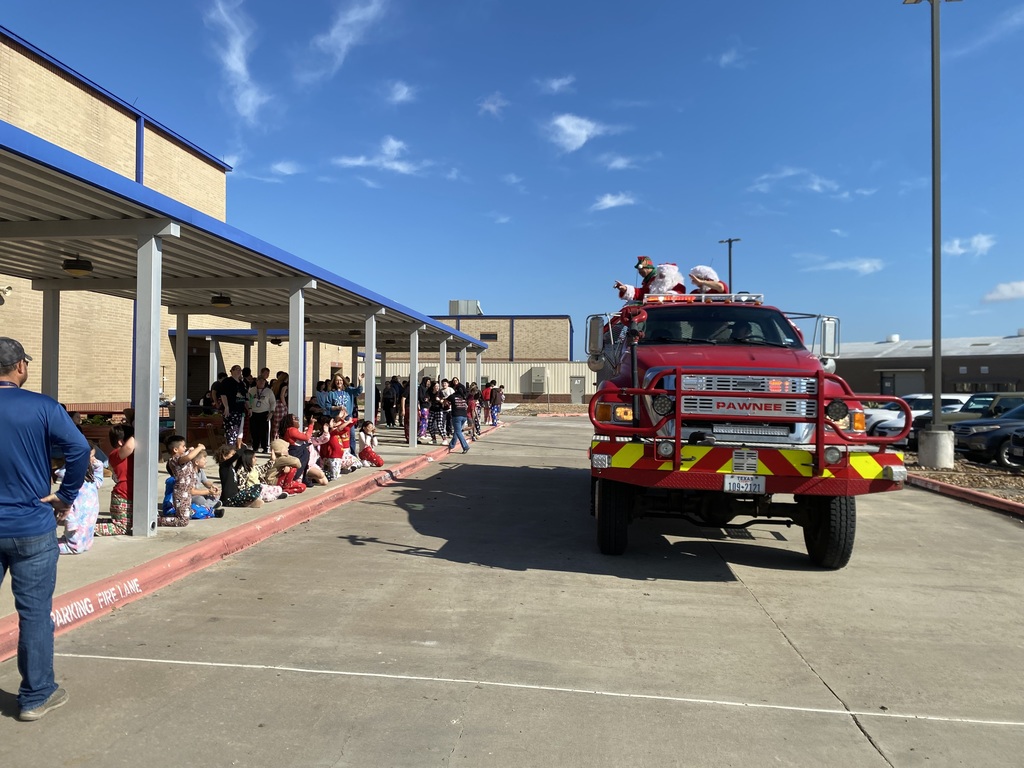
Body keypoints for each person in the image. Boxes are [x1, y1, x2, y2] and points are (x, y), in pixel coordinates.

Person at [0, 337, 89, 721]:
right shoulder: (42, 406)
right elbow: (80, 449)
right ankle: (36, 695)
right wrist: (65, 496)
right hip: (31, 524)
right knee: (34, 613)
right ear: (19, 366)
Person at [56, 446, 105, 555]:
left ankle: (82, 543)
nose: (93, 459)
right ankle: (62, 546)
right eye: (91, 456)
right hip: (77, 515)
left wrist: (98, 466)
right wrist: (70, 522)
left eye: (93, 456)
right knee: (75, 541)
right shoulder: (71, 478)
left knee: (86, 536)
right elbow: (67, 501)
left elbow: (99, 482)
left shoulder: (89, 476)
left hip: (90, 515)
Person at [96, 423, 135, 536]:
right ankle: (86, 528)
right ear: (120, 442)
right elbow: (129, 447)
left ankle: (90, 523)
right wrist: (138, 433)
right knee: (121, 528)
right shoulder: (116, 454)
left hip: (128, 496)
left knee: (125, 523)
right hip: (122, 496)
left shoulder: (130, 454)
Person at [161, 435, 206, 527]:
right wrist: (199, 447)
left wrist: (192, 450)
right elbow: (189, 457)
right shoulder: (174, 459)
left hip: (187, 492)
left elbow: (190, 456)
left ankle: (168, 518)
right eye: (183, 446)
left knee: (183, 516)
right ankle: (157, 520)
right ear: (175, 450)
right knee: (183, 521)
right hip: (181, 493)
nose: (185, 448)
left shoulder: (183, 458)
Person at [219, 365, 248, 449]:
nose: (239, 371)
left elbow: (245, 397)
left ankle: (235, 448)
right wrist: (226, 407)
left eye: (240, 370)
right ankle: (229, 449)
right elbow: (223, 394)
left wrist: (248, 408)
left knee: (239, 430)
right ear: (231, 371)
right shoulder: (227, 381)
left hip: (240, 410)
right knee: (231, 430)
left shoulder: (242, 383)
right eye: (236, 369)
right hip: (231, 409)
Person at [247, 375, 275, 453]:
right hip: (254, 413)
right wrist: (249, 408)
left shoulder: (268, 391)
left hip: (264, 413)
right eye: (260, 381)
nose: (261, 382)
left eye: (263, 381)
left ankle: (265, 447)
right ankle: (255, 447)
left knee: (264, 431)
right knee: (254, 431)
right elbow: (248, 400)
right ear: (257, 381)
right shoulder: (252, 390)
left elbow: (273, 402)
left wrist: (271, 412)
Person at [446, 384, 471, 455]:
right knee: (457, 431)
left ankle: (465, 446)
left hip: (456, 416)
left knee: (458, 432)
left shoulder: (452, 396)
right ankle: (452, 445)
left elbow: (445, 400)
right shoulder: (464, 397)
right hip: (464, 416)